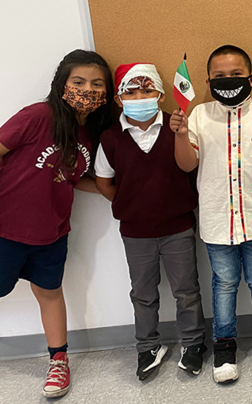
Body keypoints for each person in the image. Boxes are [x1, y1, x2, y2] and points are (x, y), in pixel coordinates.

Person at [0, 49, 114, 398]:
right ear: (62, 84)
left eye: (97, 84)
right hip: (3, 228)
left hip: (52, 232)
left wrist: (114, 193)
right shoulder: (38, 116)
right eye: (79, 82)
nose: (87, 90)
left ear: (106, 93)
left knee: (49, 292)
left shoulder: (91, 133)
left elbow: (74, 176)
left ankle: (58, 360)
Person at [170, 45, 252, 382]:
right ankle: (224, 347)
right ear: (208, 81)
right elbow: (186, 164)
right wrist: (181, 134)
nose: (228, 80)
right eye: (219, 76)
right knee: (224, 283)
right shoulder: (198, 116)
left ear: (251, 79)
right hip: (217, 221)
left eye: (236, 74)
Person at [95, 63, 205, 380]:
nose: (139, 97)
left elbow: (189, 166)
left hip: (178, 227)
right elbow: (104, 181)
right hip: (135, 232)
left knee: (186, 290)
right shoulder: (110, 138)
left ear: (160, 94)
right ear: (118, 99)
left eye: (146, 90)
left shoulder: (176, 127)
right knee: (143, 294)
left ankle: (193, 343)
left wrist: (180, 133)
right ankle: (147, 347)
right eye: (130, 92)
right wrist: (130, 204)